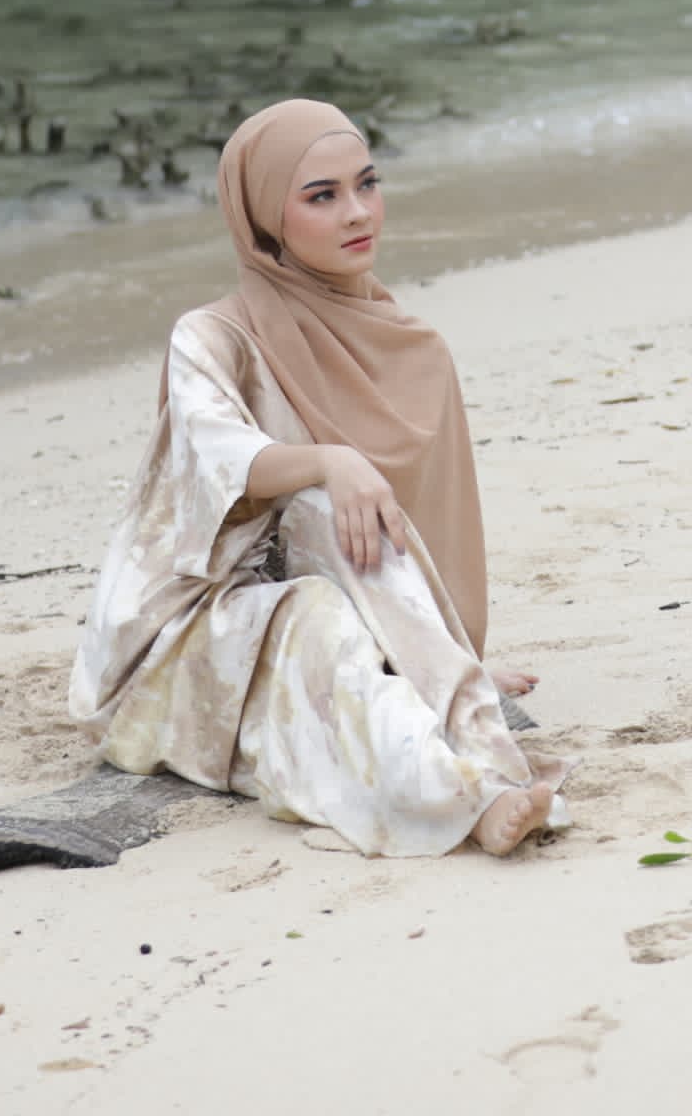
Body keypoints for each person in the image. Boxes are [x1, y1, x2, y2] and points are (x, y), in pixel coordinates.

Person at [68, 98, 565, 856]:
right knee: (321, 552)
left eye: (367, 184)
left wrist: (440, 646)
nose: (356, 212)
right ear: (264, 219)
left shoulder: (412, 348)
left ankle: (470, 752)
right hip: (194, 636)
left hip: (338, 610)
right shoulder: (211, 338)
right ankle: (473, 793)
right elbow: (228, 458)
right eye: (321, 196)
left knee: (328, 600)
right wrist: (335, 460)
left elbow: (432, 528)